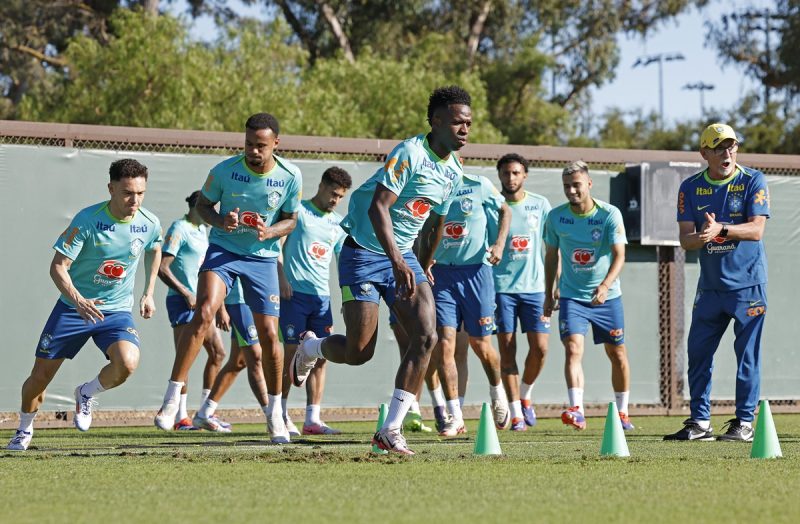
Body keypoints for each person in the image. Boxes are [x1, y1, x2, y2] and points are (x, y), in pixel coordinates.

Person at [290, 85, 471, 455]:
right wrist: (398, 260)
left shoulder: (455, 170)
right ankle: (311, 346)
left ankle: (390, 430)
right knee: (359, 351)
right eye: (457, 122)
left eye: (469, 123)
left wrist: (424, 261)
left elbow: (435, 222)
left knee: (426, 336)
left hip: (404, 256)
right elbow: (379, 208)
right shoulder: (410, 153)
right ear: (436, 122)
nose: (465, 129)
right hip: (363, 253)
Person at [155, 113, 301, 444]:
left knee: (268, 336)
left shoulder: (291, 176)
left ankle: (276, 414)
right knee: (205, 310)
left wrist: (271, 231)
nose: (253, 151)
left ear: (275, 143)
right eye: (249, 144)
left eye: (261, 146)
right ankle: (171, 400)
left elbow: (291, 220)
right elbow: (204, 207)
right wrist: (222, 222)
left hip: (262, 259)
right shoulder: (223, 171)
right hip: (224, 251)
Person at [7, 159, 162, 451]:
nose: (135, 200)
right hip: (73, 308)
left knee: (128, 362)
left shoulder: (149, 222)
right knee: (39, 379)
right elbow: (58, 267)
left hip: (115, 310)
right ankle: (24, 428)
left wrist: (149, 292)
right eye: (128, 193)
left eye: (141, 193)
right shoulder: (88, 220)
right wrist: (78, 300)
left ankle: (87, 393)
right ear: (111, 188)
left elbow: (155, 247)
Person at [665, 123, 770, 442]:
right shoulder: (690, 187)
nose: (727, 152)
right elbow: (685, 240)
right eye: (719, 147)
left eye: (732, 146)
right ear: (704, 153)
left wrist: (721, 229)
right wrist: (702, 236)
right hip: (710, 289)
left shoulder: (753, 180)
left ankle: (744, 422)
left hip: (748, 286)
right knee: (697, 354)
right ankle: (699, 423)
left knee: (747, 357)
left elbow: (756, 230)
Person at [543, 160, 633, 431]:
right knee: (573, 349)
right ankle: (577, 409)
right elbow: (550, 257)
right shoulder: (556, 217)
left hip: (607, 297)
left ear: (589, 184)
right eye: (567, 186)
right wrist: (549, 294)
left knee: (617, 353)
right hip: (572, 296)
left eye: (576, 185)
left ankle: (623, 412)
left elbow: (620, 255)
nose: (571, 191)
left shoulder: (608, 215)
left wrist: (605, 285)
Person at [429, 170, 511, 436]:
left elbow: (505, 210)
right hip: (441, 273)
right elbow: (423, 226)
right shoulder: (428, 185)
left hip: (477, 272)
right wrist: (424, 259)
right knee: (444, 343)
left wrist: (499, 244)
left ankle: (498, 392)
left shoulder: (479, 184)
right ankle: (455, 416)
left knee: (480, 344)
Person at [278, 166, 352, 436]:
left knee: (322, 355)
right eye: (333, 193)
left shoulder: (338, 223)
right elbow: (277, 244)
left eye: (341, 197)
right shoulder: (299, 211)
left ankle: (312, 419)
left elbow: (344, 262)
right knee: (290, 354)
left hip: (321, 299)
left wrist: (347, 296)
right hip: (293, 295)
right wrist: (281, 277)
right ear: (321, 186)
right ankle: (281, 413)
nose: (335, 200)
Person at [492, 153, 551, 431]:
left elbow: (553, 249)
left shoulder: (540, 205)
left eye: (516, 173)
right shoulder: (492, 205)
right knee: (507, 350)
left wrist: (555, 285)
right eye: (506, 173)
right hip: (501, 289)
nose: (511, 178)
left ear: (525, 175)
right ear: (500, 176)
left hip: (536, 289)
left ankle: (525, 395)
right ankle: (516, 412)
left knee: (540, 349)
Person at [158, 191, 227, 430]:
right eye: (211, 208)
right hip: (181, 302)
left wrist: (219, 307)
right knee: (184, 358)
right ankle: (180, 417)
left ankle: (205, 412)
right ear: (199, 205)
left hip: (202, 305)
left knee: (218, 353)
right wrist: (186, 293)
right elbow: (162, 268)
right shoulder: (180, 228)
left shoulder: (202, 232)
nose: (214, 214)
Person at [192, 278, 269, 432]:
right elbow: (220, 271)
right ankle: (273, 415)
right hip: (238, 301)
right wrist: (221, 308)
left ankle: (205, 412)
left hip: (254, 299)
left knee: (238, 362)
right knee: (255, 358)